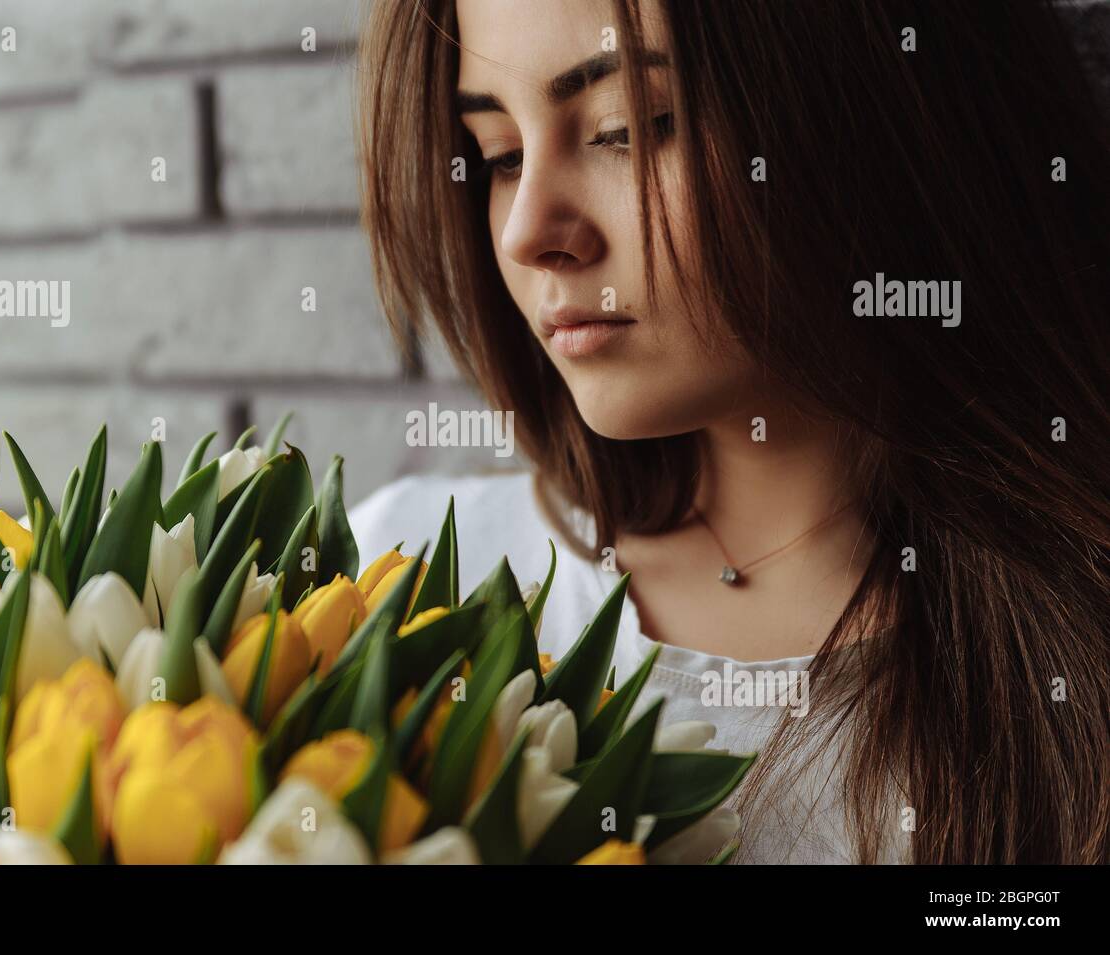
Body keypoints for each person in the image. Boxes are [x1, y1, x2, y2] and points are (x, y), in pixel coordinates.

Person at [349, 0, 1110, 863]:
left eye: (630, 127)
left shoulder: (1068, 682)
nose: (528, 231)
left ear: (884, 106)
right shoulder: (392, 587)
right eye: (501, 155)